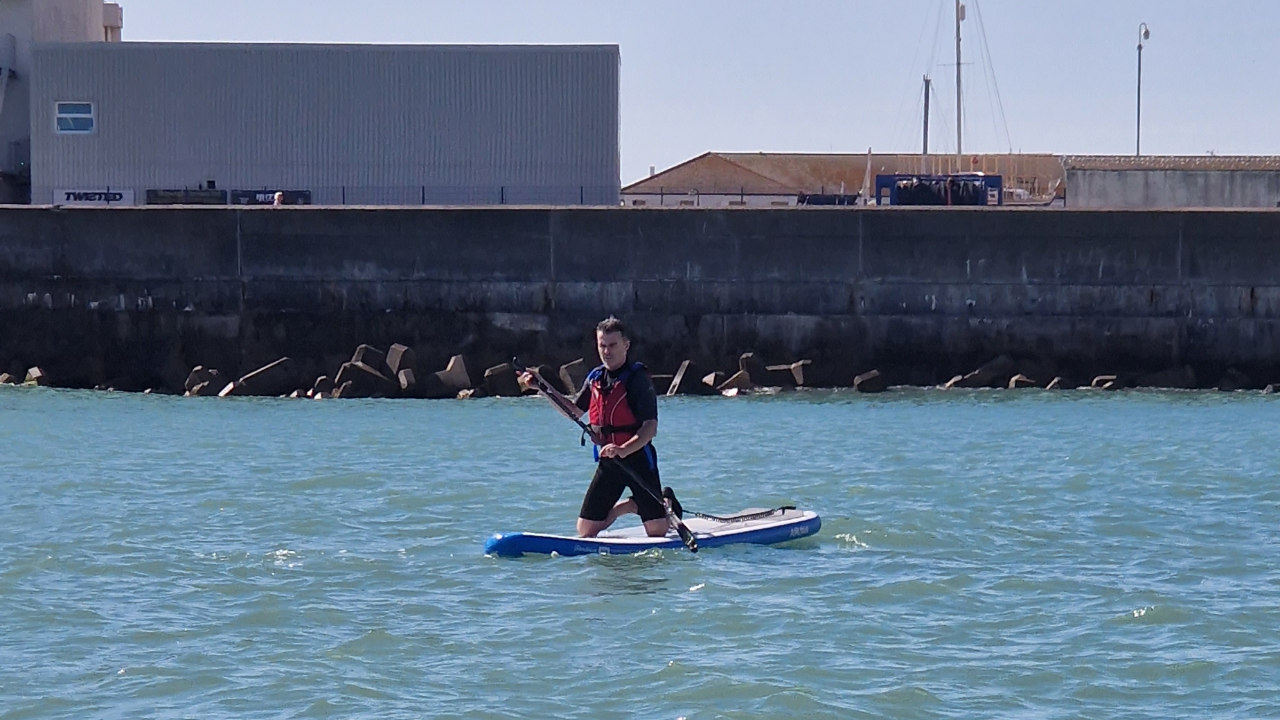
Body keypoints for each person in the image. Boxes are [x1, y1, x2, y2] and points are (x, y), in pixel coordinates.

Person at [523, 316, 680, 538]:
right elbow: (573, 411)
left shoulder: (638, 378)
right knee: (585, 530)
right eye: (602, 345)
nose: (606, 351)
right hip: (609, 463)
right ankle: (629, 507)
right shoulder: (595, 377)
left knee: (657, 531)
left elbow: (649, 428)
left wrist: (623, 449)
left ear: (626, 345)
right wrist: (541, 387)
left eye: (612, 345)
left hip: (638, 461)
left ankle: (666, 501)